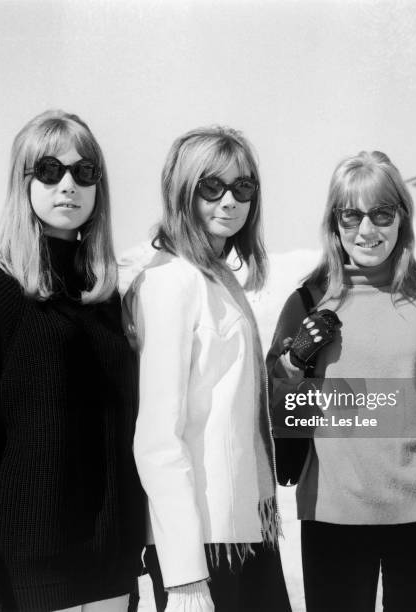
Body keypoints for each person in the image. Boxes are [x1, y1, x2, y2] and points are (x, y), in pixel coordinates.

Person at [0, 110, 145, 612]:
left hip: (111, 578)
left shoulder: (107, 299)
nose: (68, 184)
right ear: (23, 182)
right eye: (49, 170)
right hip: (25, 585)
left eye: (84, 172)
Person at [267, 151, 416, 612]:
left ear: (401, 218)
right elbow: (274, 412)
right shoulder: (307, 302)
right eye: (351, 215)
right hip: (333, 520)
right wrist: (293, 364)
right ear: (335, 222)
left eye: (381, 213)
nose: (366, 231)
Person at [123, 126, 292, 612]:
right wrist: (183, 577)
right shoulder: (168, 283)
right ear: (183, 192)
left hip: (246, 528)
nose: (229, 202)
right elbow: (157, 439)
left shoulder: (218, 277)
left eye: (242, 188)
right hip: (203, 542)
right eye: (210, 188)